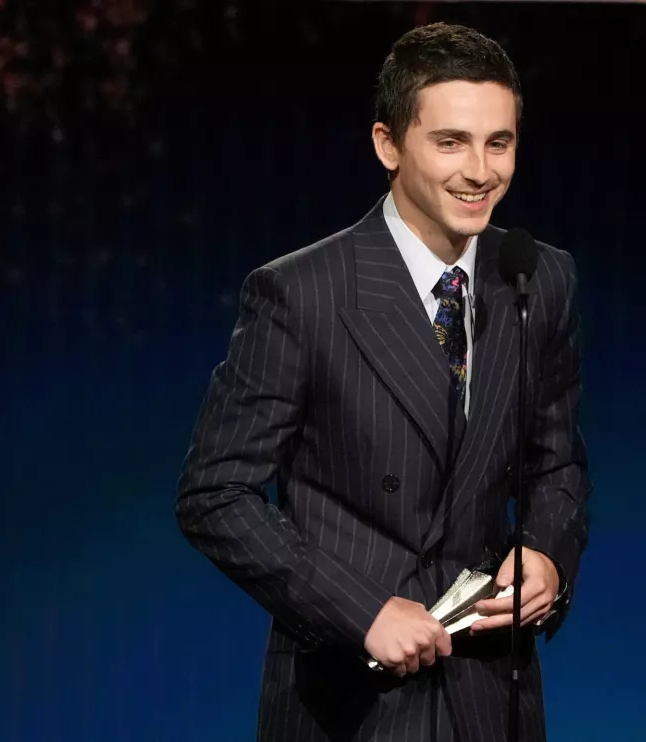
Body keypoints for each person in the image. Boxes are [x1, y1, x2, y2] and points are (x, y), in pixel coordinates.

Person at [175, 21, 590, 742]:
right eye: (451, 141)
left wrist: (549, 554)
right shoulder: (301, 293)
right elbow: (215, 494)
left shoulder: (539, 277)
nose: (480, 171)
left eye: (500, 142)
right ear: (388, 145)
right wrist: (360, 609)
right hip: (349, 698)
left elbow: (556, 459)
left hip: (490, 695)